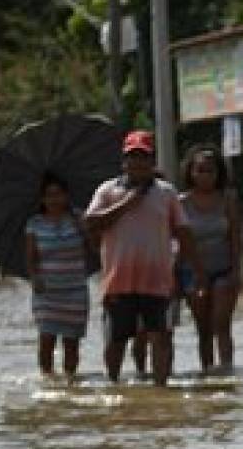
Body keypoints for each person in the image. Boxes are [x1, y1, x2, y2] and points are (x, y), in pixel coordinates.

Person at [84, 130, 204, 387]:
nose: (137, 163)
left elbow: (183, 232)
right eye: (132, 157)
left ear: (152, 162)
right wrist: (126, 204)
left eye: (143, 157)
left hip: (157, 280)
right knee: (116, 340)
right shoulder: (107, 191)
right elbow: (90, 222)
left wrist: (196, 270)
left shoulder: (166, 193)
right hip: (119, 281)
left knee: (159, 337)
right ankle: (113, 385)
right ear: (123, 161)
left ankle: (160, 388)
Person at [179, 144, 243, 374]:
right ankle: (206, 371)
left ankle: (227, 370)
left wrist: (238, 272)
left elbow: (236, 238)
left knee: (222, 324)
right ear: (191, 172)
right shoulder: (181, 203)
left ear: (218, 174)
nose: (205, 176)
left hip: (223, 270)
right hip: (193, 273)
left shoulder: (227, 199)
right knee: (203, 328)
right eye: (200, 170)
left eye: (210, 171)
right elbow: (178, 242)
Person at [24, 173, 91, 380]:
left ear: (67, 196)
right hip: (47, 291)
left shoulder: (78, 218)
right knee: (46, 338)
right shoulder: (34, 224)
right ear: (42, 199)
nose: (54, 199)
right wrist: (34, 278)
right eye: (49, 195)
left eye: (59, 194)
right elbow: (31, 257)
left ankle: (70, 380)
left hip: (75, 289)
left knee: (72, 342)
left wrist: (84, 228)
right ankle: (47, 379)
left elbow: (94, 248)